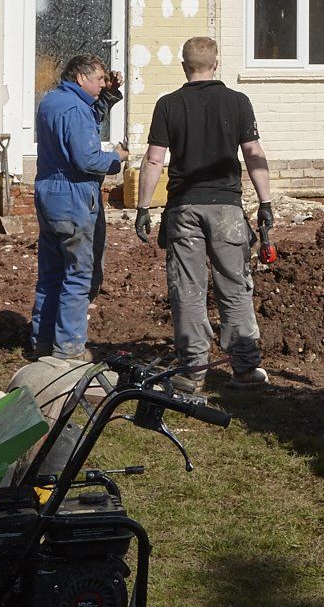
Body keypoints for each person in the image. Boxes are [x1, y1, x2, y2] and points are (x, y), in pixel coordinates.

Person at [134, 36, 275, 395]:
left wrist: (143, 207)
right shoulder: (238, 102)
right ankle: (244, 368)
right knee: (234, 286)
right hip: (227, 209)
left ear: (184, 66)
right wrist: (266, 202)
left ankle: (193, 370)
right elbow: (254, 152)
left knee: (188, 290)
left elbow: (154, 159)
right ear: (216, 63)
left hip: (184, 209)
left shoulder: (168, 105)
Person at [30, 54, 129, 360]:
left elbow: (86, 123)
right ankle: (69, 350)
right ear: (81, 78)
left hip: (48, 192)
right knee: (77, 273)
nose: (103, 84)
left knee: (51, 272)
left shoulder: (52, 102)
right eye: (99, 79)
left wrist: (108, 95)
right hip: (72, 194)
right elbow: (86, 159)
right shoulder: (75, 109)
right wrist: (117, 158)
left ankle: (42, 343)